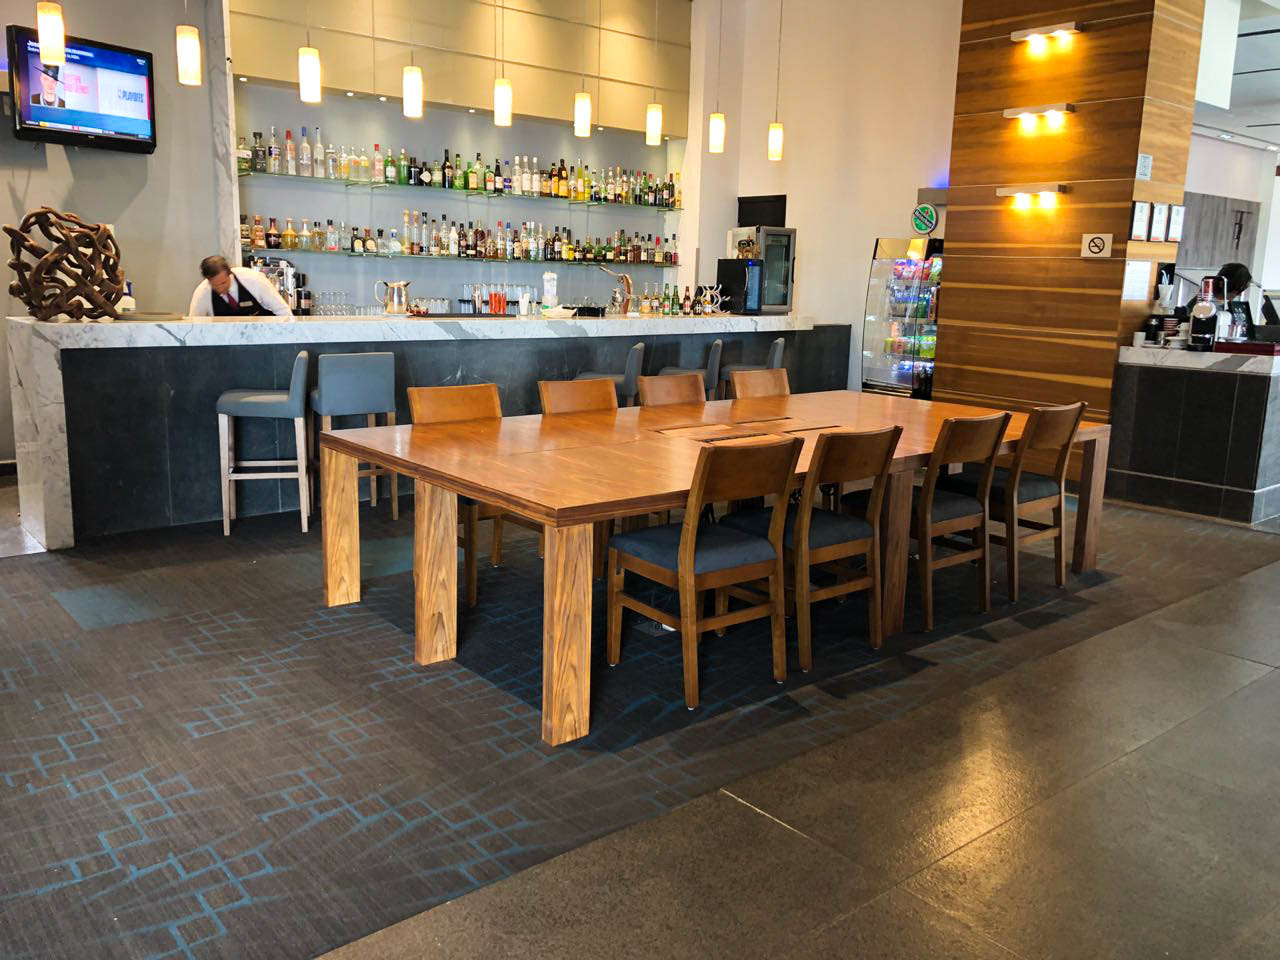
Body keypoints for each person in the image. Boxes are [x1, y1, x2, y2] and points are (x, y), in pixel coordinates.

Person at [188, 255, 293, 317]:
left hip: (263, 338)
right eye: (215, 285)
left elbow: (283, 311)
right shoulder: (202, 293)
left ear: (229, 273)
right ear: (208, 281)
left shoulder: (253, 279)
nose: (220, 289)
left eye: (223, 283)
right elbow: (194, 327)